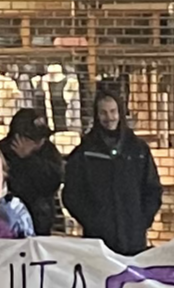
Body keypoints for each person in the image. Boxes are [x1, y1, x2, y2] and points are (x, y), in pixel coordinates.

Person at [62, 90, 165, 255]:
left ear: (120, 113)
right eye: (103, 112)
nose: (109, 117)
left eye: (112, 111)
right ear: (96, 115)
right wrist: (92, 221)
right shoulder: (85, 152)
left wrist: (142, 221)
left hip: (133, 239)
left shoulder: (138, 149)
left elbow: (152, 189)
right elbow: (72, 194)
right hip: (99, 241)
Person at [0, 108, 65, 235]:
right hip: (7, 224)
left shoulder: (48, 151)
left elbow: (55, 179)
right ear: (18, 137)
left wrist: (29, 159)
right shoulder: (0, 155)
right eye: (34, 139)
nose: (41, 142)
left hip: (41, 222)